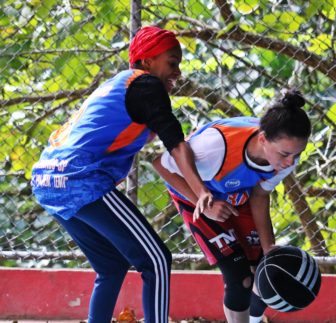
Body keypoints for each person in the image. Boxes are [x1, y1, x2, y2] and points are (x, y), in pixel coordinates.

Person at [30, 26, 213, 323]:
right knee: (156, 260)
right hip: (81, 180)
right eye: (172, 62)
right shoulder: (146, 85)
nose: (177, 72)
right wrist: (203, 192)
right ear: (147, 60)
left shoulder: (120, 86)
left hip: (48, 179)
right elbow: (176, 144)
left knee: (111, 266)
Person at [153, 90, 311, 323]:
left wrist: (269, 250)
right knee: (240, 278)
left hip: (238, 196)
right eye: (286, 154)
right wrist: (202, 202)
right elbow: (161, 165)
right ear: (263, 139)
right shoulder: (213, 149)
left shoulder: (285, 158)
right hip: (196, 196)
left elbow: (259, 196)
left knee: (263, 272)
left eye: (297, 155)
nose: (290, 162)